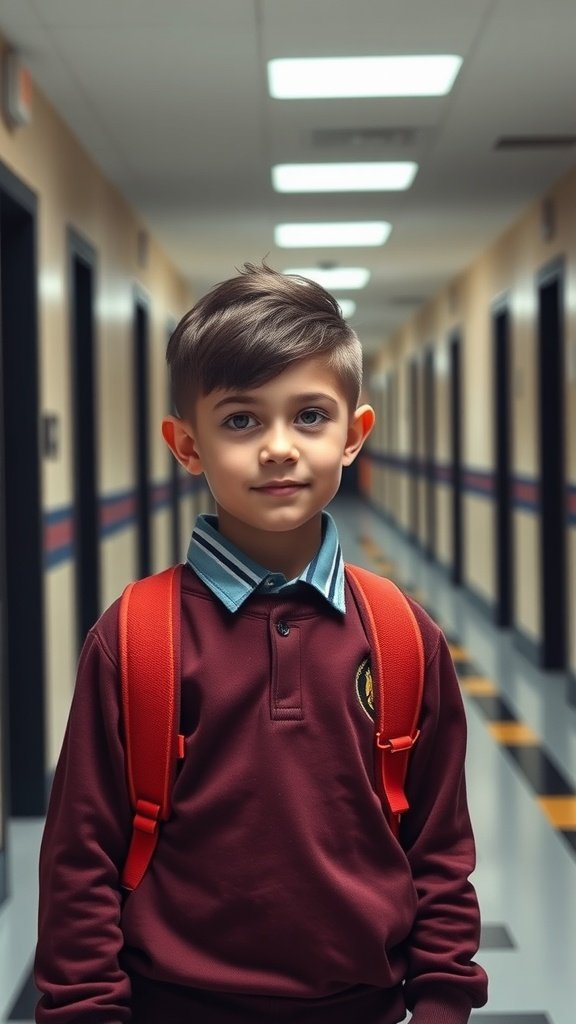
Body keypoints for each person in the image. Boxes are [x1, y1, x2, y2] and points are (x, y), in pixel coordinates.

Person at [35, 263, 488, 1023]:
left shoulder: (404, 637)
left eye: (310, 416)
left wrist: (442, 1003)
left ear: (354, 435)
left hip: (363, 1006)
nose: (279, 448)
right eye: (241, 420)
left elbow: (439, 849)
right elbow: (80, 856)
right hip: (172, 1004)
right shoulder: (138, 637)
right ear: (187, 446)